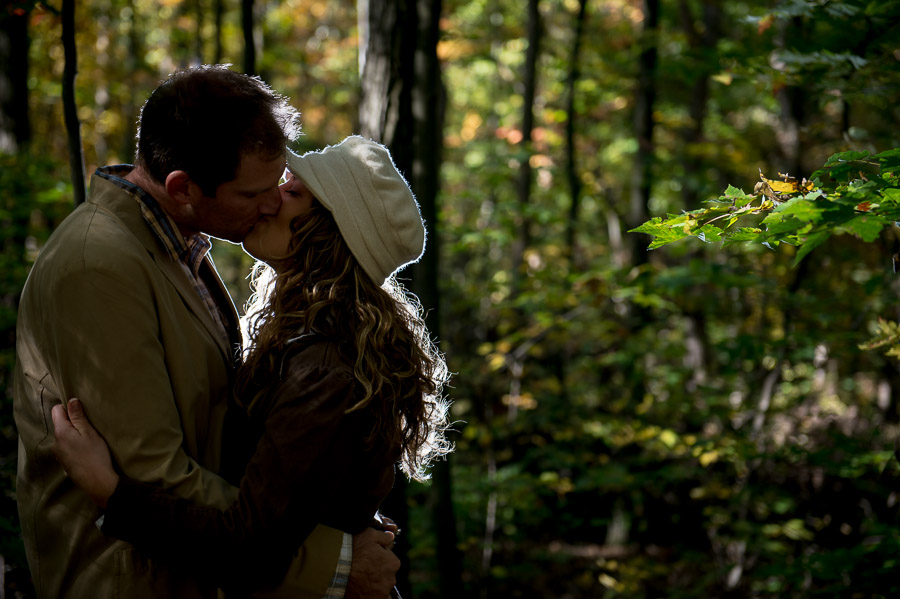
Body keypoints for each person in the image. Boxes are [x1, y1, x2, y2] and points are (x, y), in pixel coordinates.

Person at [14, 66, 398, 599]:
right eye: (254, 192)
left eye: (281, 188)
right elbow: (152, 474)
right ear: (182, 187)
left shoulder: (181, 245)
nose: (270, 202)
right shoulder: (98, 267)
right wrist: (333, 563)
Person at [50, 136, 451, 597]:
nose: (272, 198)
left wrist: (111, 494)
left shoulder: (325, 370)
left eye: (293, 192)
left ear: (328, 234)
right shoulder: (309, 341)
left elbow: (248, 545)